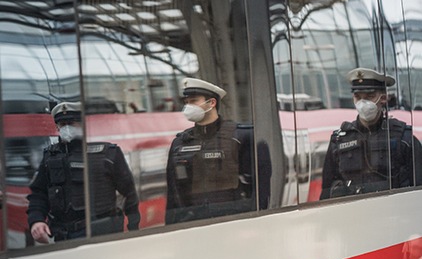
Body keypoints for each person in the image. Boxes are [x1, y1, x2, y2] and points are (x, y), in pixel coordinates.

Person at [27, 101, 140, 243]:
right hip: (63, 236)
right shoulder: (50, 156)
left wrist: (134, 227)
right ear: (57, 127)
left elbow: (129, 192)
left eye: (71, 123)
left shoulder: (108, 154)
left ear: (82, 124)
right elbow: (38, 193)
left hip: (101, 233)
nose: (66, 128)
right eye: (62, 124)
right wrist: (36, 220)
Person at [165, 78, 271, 224]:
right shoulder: (179, 143)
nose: (188, 107)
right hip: (193, 223)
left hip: (235, 222)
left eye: (194, 101)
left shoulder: (242, 137)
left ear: (212, 103)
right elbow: (173, 193)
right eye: (186, 102)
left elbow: (261, 189)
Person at [319, 68, 422, 199]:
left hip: (395, 214)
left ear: (383, 98)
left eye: (370, 96)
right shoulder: (339, 140)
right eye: (358, 97)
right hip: (354, 215)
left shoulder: (404, 139)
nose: (363, 103)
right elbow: (326, 193)